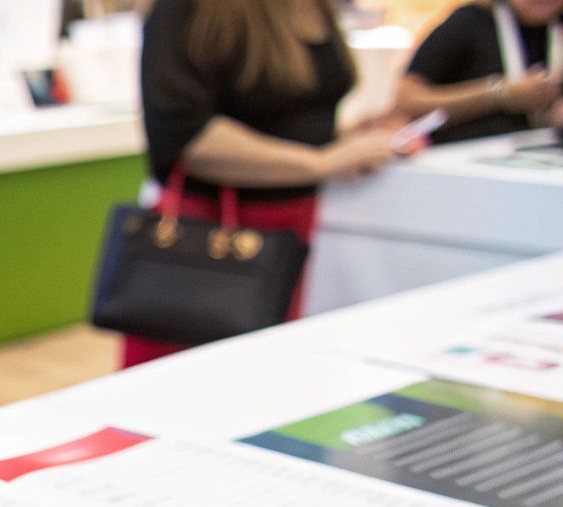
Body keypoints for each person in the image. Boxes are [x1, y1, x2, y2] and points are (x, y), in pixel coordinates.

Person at [128, 0, 409, 368]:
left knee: (272, 369)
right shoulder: (194, 9)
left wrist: (347, 141)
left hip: (295, 226)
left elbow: (282, 113)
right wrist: (322, 161)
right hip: (213, 232)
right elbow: (185, 135)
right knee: (194, 374)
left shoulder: (314, 8)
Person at [397, 0, 563, 144]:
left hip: (537, 153)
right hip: (460, 159)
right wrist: (498, 94)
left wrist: (561, 113)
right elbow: (405, 100)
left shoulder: (562, 25)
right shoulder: (470, 21)